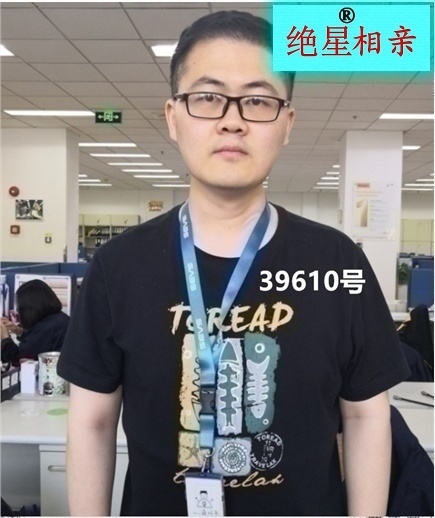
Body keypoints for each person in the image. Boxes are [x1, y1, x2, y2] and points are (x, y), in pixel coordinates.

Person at [57, 10, 410, 517]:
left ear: (287, 124)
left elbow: (365, 417)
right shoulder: (118, 267)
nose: (232, 119)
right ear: (173, 117)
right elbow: (92, 421)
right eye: (207, 97)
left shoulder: (337, 261)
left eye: (258, 100)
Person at [1, 279, 70, 364]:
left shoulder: (46, 328)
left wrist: (5, 338)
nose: (18, 310)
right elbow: (37, 342)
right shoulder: (58, 319)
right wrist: (19, 331)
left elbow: (19, 359)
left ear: (30, 307)